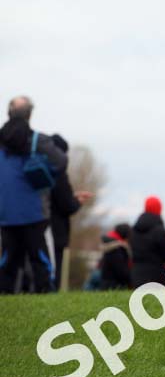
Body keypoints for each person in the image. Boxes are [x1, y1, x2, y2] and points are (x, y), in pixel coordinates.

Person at [0, 96, 67, 293]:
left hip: (6, 212)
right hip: (34, 211)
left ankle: (4, 296)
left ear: (8, 112)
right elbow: (61, 162)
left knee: (7, 260)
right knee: (40, 259)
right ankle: (45, 295)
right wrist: (45, 176)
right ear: (30, 114)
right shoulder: (38, 140)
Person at [49, 134, 93, 291]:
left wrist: (71, 196)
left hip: (38, 227)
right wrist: (77, 201)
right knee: (54, 268)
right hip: (55, 229)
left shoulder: (39, 169)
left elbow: (54, 197)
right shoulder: (57, 172)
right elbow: (66, 205)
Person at [130, 196, 165, 287]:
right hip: (156, 276)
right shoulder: (159, 230)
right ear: (159, 209)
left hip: (137, 275)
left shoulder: (134, 230)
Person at [99, 223, 131, 290]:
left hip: (106, 284)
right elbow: (121, 271)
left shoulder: (110, 246)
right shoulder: (116, 250)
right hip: (114, 286)